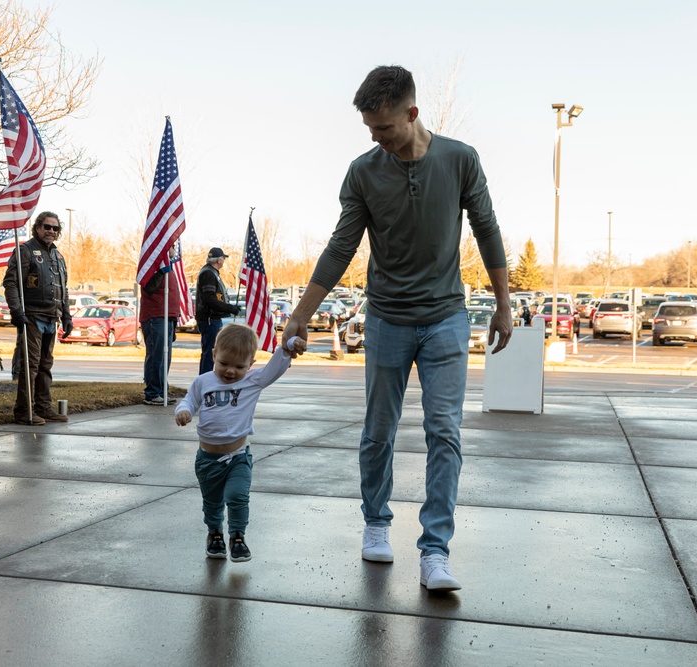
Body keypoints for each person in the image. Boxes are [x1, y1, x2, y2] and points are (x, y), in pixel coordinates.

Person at [282, 65, 513, 592]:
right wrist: (301, 313)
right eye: (369, 130)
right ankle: (376, 523)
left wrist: (502, 304)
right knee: (378, 431)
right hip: (385, 318)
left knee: (444, 432)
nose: (376, 139)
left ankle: (435, 550)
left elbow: (487, 229)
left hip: (446, 320)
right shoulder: (363, 172)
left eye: (384, 128)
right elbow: (341, 247)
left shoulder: (460, 159)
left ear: (412, 113)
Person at [175, 325, 305, 562]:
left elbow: (276, 366)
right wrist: (183, 412)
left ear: (251, 364)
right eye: (224, 363)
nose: (231, 372)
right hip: (207, 460)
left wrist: (288, 345)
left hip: (238, 458)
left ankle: (237, 536)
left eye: (239, 366)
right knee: (212, 502)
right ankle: (214, 534)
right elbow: (189, 401)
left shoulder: (253, 381)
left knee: (237, 496)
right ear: (214, 355)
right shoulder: (203, 382)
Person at [3, 211, 72, 425]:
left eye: (55, 228)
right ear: (38, 228)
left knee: (45, 365)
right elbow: (11, 283)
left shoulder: (58, 256)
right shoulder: (25, 251)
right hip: (32, 315)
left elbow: (64, 289)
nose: (51, 231)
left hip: (52, 317)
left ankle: (43, 407)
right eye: (47, 227)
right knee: (30, 365)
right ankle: (24, 411)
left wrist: (67, 316)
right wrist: (17, 312)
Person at [195, 247, 240, 374]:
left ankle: (207, 378)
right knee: (210, 352)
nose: (224, 261)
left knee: (212, 351)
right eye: (223, 258)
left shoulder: (211, 272)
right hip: (209, 319)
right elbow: (210, 299)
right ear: (219, 260)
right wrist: (230, 308)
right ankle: (205, 381)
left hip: (212, 318)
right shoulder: (208, 274)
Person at [140, 268, 180, 405]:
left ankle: (161, 391)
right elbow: (149, 287)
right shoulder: (152, 266)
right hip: (155, 316)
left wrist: (174, 322)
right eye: (172, 245)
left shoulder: (169, 268)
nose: (173, 247)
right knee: (156, 356)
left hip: (167, 317)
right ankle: (152, 393)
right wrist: (161, 272)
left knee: (164, 358)